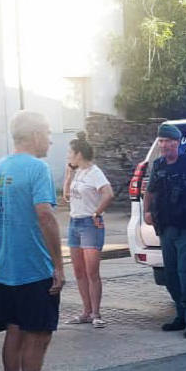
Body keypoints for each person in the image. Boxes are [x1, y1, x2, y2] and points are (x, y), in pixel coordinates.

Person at [0, 111, 66, 371]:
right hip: (34, 268)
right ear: (32, 135)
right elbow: (45, 215)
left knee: (14, 331)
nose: (49, 139)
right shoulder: (37, 168)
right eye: (46, 132)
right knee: (39, 334)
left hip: (7, 269)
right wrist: (58, 265)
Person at [143, 123, 186, 338]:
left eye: (168, 141)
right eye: (161, 141)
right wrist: (147, 212)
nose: (164, 145)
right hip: (167, 228)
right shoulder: (159, 165)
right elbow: (150, 192)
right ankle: (180, 315)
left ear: (177, 143)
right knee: (171, 276)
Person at [61, 132, 114, 328]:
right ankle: (85, 311)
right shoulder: (79, 172)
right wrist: (68, 175)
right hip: (74, 223)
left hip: (89, 225)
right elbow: (67, 196)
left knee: (92, 271)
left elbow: (108, 194)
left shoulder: (94, 172)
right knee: (79, 271)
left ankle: (96, 313)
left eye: (70, 153)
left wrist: (97, 213)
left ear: (79, 154)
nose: (68, 156)